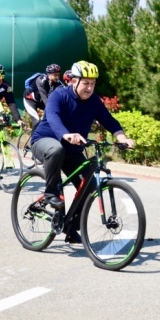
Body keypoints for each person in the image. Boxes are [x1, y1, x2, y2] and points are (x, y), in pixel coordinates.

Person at [30, 61, 134, 244]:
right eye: (85, 83)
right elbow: (53, 118)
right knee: (57, 149)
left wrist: (122, 138)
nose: (89, 87)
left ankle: (71, 227)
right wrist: (66, 134)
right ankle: (50, 193)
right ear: (73, 81)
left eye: (92, 83)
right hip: (45, 142)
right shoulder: (58, 95)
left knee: (90, 186)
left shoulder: (94, 101)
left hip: (72, 150)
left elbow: (109, 121)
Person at [23, 64, 64, 132]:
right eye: (55, 75)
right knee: (36, 122)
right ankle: (34, 142)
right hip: (30, 101)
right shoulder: (41, 80)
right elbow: (45, 98)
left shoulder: (58, 83)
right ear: (48, 74)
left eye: (58, 75)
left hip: (40, 101)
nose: (57, 77)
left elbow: (64, 93)